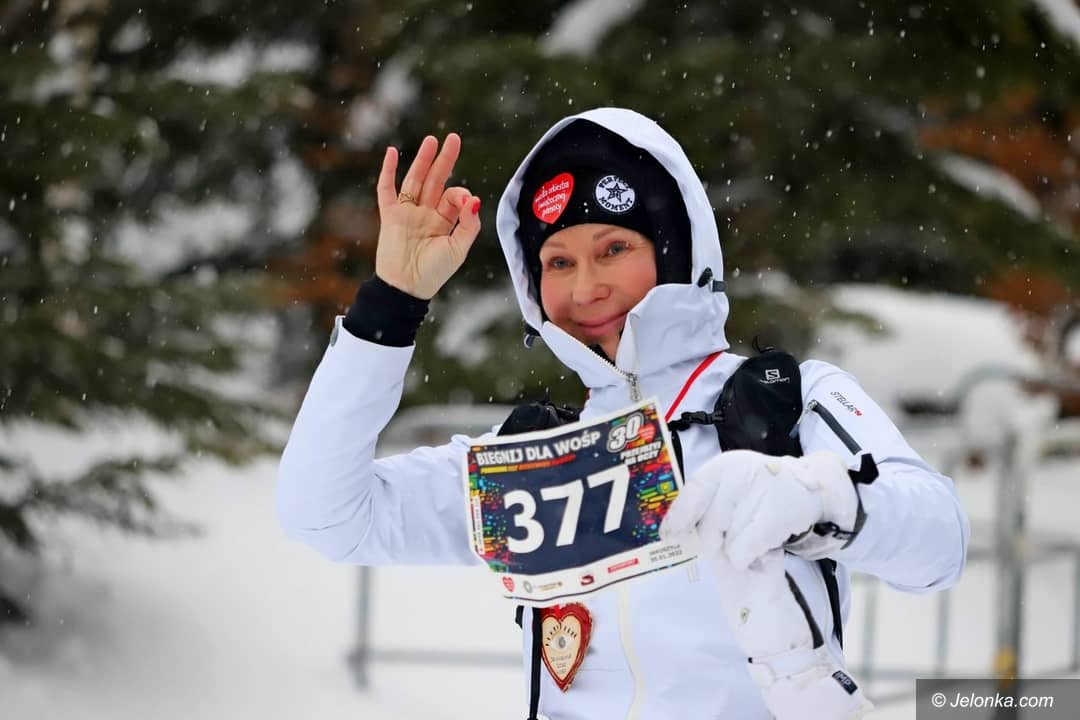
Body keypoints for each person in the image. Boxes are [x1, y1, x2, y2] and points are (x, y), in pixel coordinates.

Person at [277, 107, 969, 719]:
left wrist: (820, 498)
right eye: (557, 262)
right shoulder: (531, 458)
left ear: (672, 251)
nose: (586, 287)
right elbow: (326, 515)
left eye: (614, 249)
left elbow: (940, 543)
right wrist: (392, 301)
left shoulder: (787, 400)